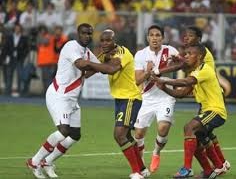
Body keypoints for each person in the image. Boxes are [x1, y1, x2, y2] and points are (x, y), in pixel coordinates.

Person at [26, 23, 120, 179]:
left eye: (90, 34)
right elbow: (82, 64)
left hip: (72, 99)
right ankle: (34, 161)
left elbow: (99, 67)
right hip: (59, 95)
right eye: (84, 33)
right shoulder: (71, 46)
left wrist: (111, 59)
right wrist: (103, 65)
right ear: (78, 33)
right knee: (63, 131)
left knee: (75, 135)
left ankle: (47, 162)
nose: (87, 36)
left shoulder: (87, 52)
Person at [156, 26, 230, 177]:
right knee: (197, 137)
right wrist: (163, 88)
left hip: (215, 110)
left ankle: (188, 168)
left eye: (189, 54)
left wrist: (162, 76)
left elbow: (184, 80)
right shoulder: (196, 71)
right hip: (206, 108)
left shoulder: (204, 69)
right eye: (186, 53)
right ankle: (215, 167)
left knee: (190, 128)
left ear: (199, 56)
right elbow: (181, 93)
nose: (186, 56)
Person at [97, 29, 147, 179]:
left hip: (130, 98)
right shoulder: (105, 54)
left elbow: (112, 69)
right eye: (102, 40)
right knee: (126, 136)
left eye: (108, 40)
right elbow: (89, 71)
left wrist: (98, 62)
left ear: (114, 41)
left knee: (119, 135)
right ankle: (142, 169)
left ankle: (137, 173)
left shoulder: (122, 53)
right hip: (120, 99)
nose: (105, 43)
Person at [133, 24, 179, 174]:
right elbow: (137, 80)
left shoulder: (171, 51)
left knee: (163, 127)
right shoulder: (140, 54)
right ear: (147, 38)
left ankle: (156, 152)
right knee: (139, 134)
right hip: (147, 98)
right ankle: (141, 166)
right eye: (152, 35)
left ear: (163, 38)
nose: (154, 38)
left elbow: (183, 65)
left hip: (166, 97)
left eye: (158, 35)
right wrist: (147, 71)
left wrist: (177, 62)